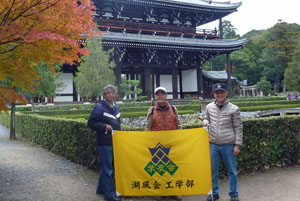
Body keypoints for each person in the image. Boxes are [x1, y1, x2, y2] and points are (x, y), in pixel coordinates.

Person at [203, 83, 243, 201]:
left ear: (226, 93)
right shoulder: (209, 107)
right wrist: (205, 122)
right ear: (214, 94)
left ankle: (233, 193)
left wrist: (237, 145)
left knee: (232, 171)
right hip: (213, 143)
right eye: (217, 92)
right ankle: (214, 193)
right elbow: (206, 118)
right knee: (213, 171)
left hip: (228, 144)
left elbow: (238, 127)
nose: (219, 95)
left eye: (222, 92)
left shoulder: (234, 108)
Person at [145, 86, 182, 201]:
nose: (160, 96)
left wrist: (181, 138)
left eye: (162, 94)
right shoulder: (151, 110)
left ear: (166, 96)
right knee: (160, 169)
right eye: (158, 94)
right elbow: (148, 126)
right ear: (155, 96)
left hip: (172, 144)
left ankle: (174, 191)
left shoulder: (173, 108)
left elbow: (179, 124)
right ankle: (162, 191)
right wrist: (146, 140)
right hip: (158, 145)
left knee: (173, 168)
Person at [88, 85, 121, 201]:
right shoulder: (99, 108)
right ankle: (109, 195)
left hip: (115, 141)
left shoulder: (116, 107)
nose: (111, 95)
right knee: (108, 169)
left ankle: (101, 189)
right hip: (105, 142)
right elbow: (91, 123)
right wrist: (103, 127)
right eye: (108, 93)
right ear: (104, 95)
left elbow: (118, 124)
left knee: (107, 167)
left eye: (113, 92)